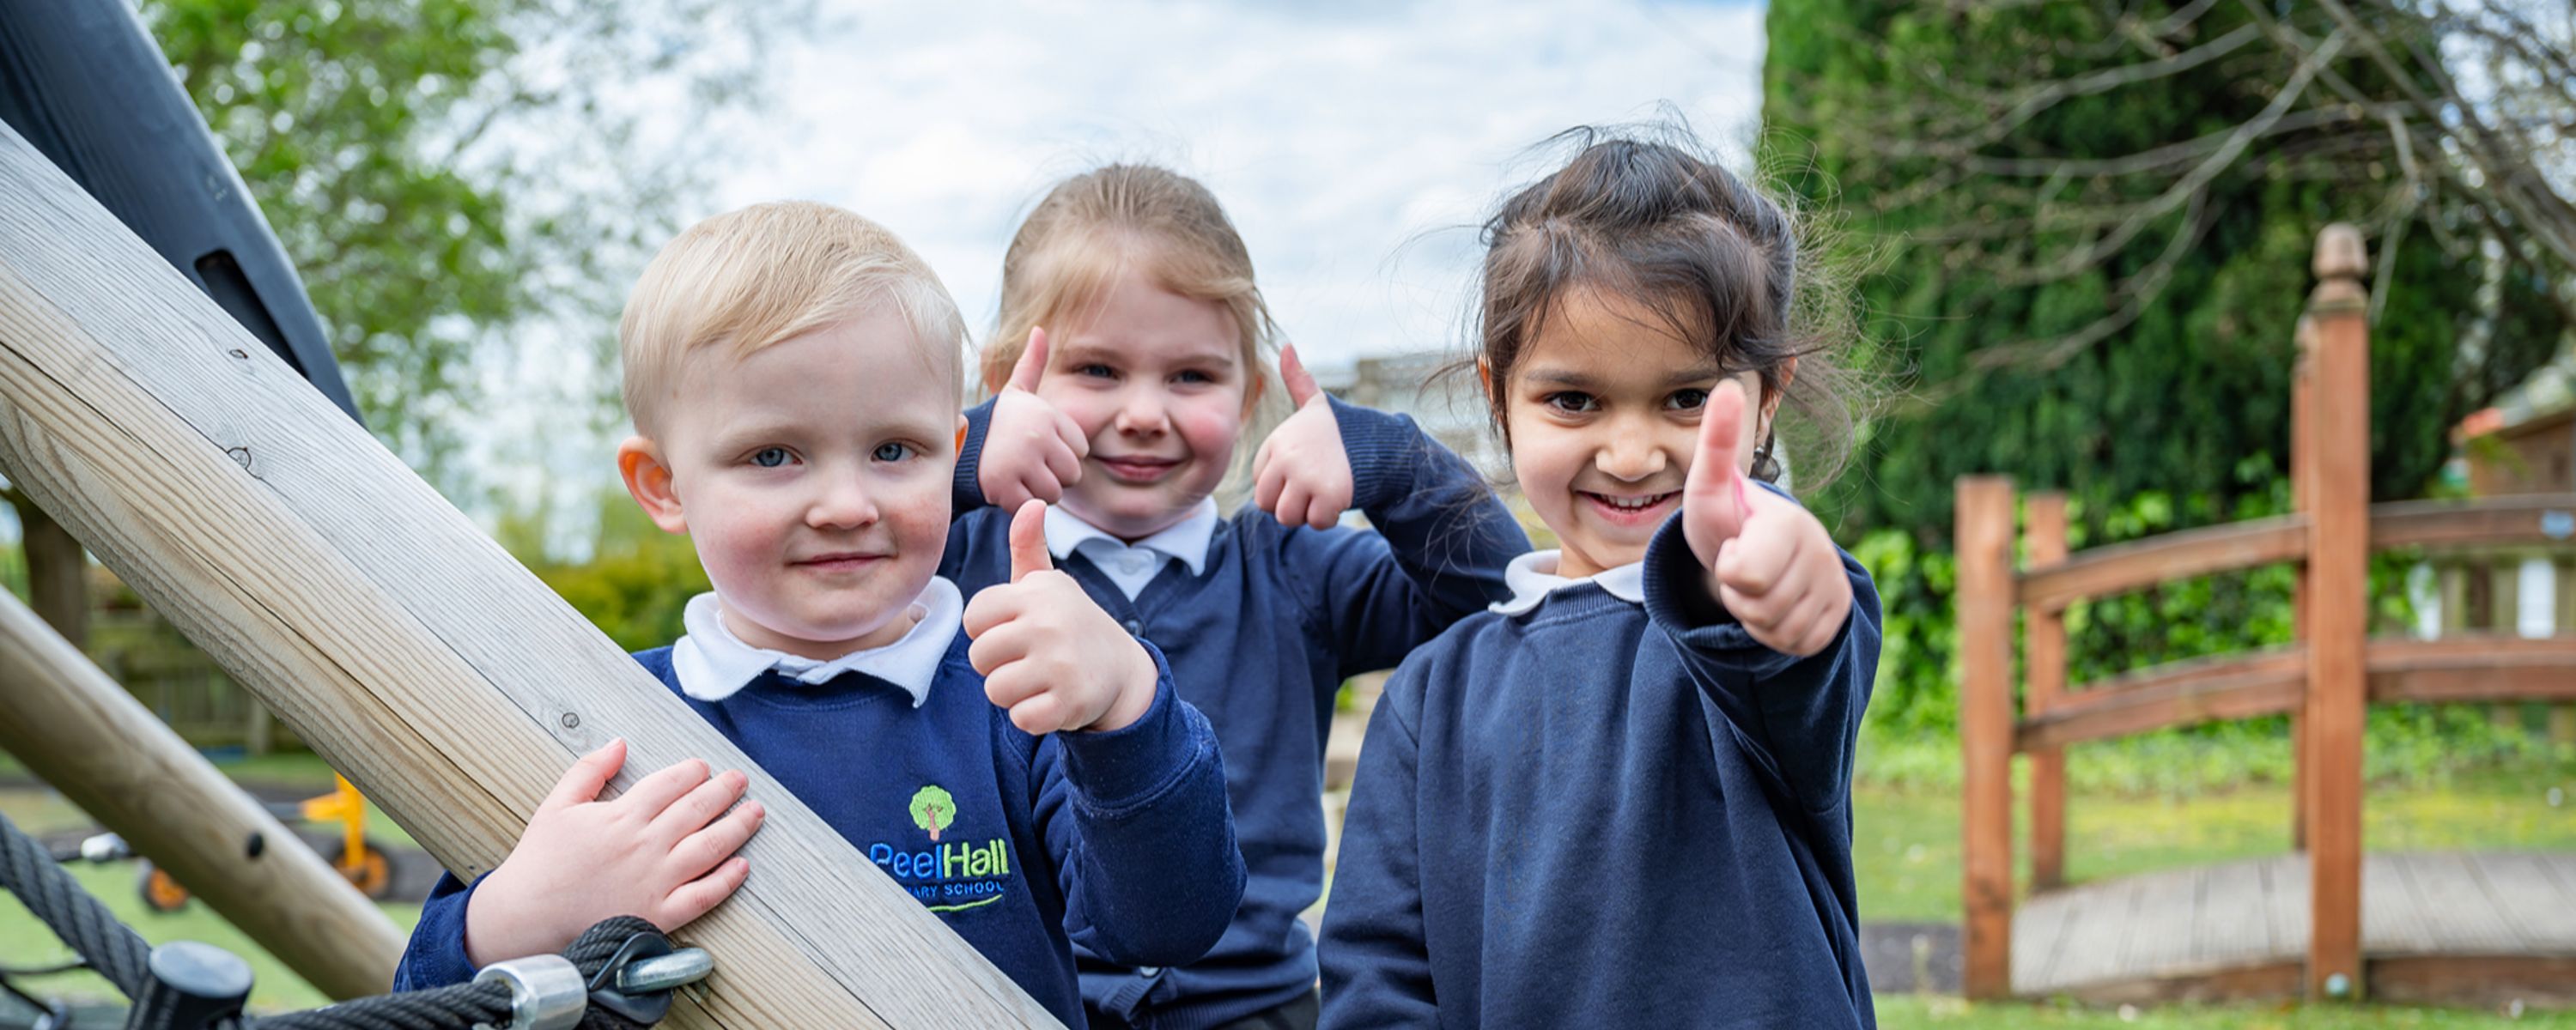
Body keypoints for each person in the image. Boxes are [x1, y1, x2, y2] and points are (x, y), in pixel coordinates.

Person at [391, 201, 1246, 1028]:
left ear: (953, 453)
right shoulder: (605, 728)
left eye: (892, 451)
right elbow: (413, 995)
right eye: (773, 455)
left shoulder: (1014, 701)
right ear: (662, 485)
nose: (845, 504)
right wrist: (510, 920)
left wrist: (1129, 705)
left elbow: (1165, 928)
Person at [1318, 129, 1882, 1027]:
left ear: (1768, 397)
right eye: (1573, 400)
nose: (1630, 453)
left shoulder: (1755, 624)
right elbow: (1377, 970)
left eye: (1688, 399)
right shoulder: (1434, 694)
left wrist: (1788, 583)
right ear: (1497, 396)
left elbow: (1794, 656)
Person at [951, 163, 1530, 1028]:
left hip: (1257, 1010)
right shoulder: (953, 556)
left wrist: (1390, 459)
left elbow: (1499, 608)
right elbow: (838, 533)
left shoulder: (1295, 566)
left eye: (1192, 377)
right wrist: (958, 455)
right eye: (1098, 370)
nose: (1145, 412)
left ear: (1252, 394)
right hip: (1008, 1004)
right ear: (1012, 380)